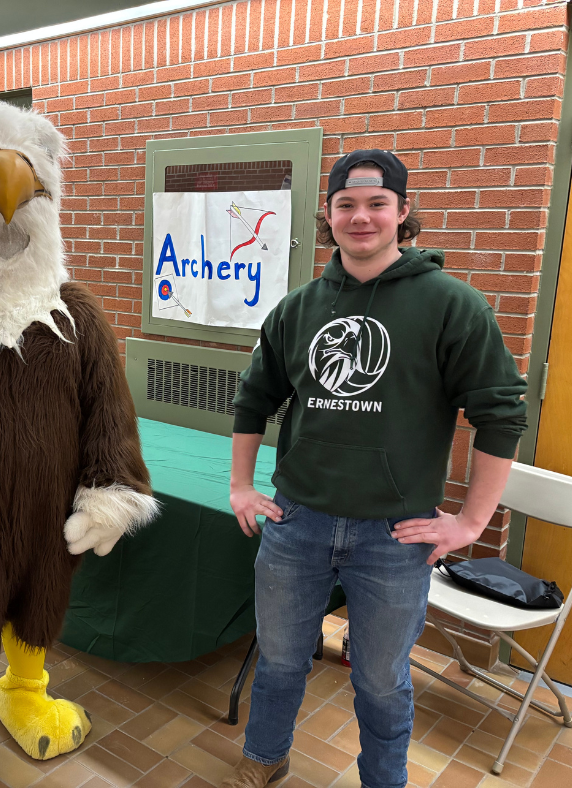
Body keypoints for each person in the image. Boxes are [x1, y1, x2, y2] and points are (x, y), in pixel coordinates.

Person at [222, 149, 527, 788]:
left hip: (394, 537)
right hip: (296, 524)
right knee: (279, 661)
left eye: (377, 204)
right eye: (346, 205)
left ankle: (383, 780)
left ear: (402, 212)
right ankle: (264, 756)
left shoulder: (452, 305)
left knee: (381, 679)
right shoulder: (298, 308)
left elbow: (500, 415)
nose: (361, 217)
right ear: (329, 215)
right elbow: (253, 398)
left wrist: (471, 522)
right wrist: (241, 485)